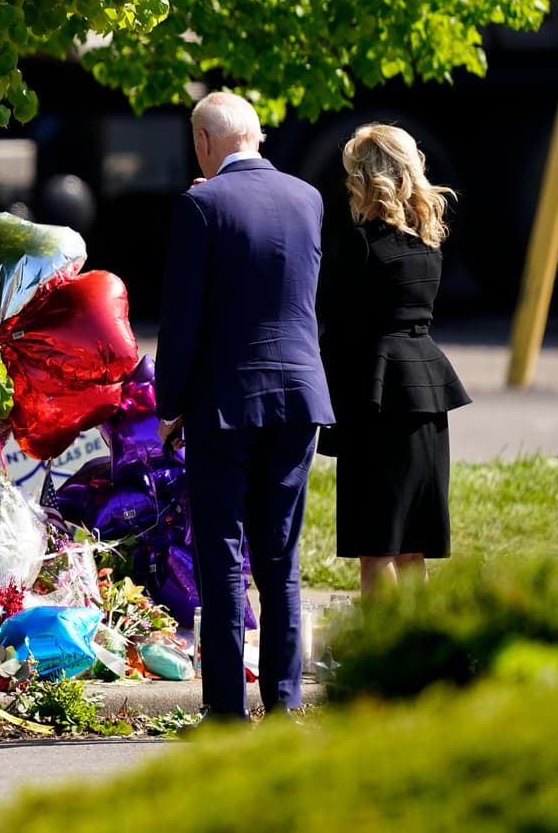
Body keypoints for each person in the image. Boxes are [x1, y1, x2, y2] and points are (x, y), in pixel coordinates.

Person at [155, 91, 334, 722]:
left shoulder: (200, 205)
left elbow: (182, 319)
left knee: (224, 559)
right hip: (298, 398)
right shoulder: (308, 199)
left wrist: (169, 402)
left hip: (224, 404)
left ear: (204, 143)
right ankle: (285, 707)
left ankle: (227, 714)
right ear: (255, 137)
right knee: (281, 558)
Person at [319, 124, 470, 600]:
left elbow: (340, 328)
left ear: (365, 177)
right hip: (427, 391)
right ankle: (415, 657)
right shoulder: (428, 243)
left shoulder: (361, 243)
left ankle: (383, 661)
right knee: (413, 547)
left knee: (376, 545)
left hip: (377, 396)